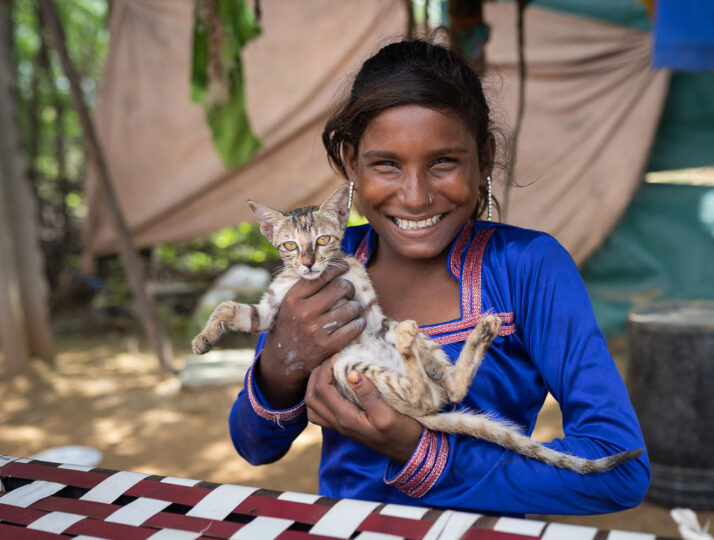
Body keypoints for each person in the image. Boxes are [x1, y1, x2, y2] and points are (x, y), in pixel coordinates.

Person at [229, 38, 649, 516]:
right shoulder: (324, 265)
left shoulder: (527, 267)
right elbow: (254, 446)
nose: (414, 196)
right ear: (351, 163)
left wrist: (420, 454)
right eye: (386, 164)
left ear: (484, 158)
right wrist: (281, 365)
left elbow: (620, 473)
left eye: (443, 162)